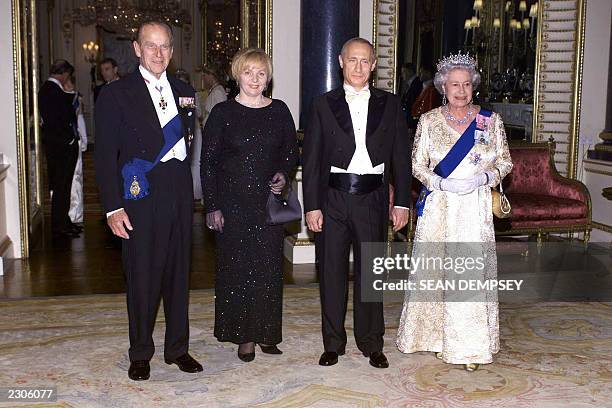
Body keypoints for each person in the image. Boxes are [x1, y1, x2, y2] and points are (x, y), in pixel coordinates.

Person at [95, 21, 203, 381]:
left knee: (178, 274)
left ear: (172, 51)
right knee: (142, 276)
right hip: (139, 194)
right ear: (137, 49)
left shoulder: (186, 92)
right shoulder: (115, 94)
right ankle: (140, 351)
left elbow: (187, 148)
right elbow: (106, 155)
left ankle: (178, 348)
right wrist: (112, 206)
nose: (158, 54)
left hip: (178, 192)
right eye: (150, 46)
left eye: (165, 47)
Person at [396, 52, 513, 371]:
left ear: (473, 86)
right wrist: (440, 183)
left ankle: (468, 346)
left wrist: (483, 178)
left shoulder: (489, 121)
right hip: (441, 205)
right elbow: (416, 165)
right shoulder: (429, 121)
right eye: (453, 85)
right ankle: (435, 338)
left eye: (466, 85)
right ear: (442, 87)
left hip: (474, 207)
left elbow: (505, 162)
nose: (460, 91)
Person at [302, 38, 412, 369]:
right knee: (332, 273)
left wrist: (403, 203)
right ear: (340, 61)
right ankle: (333, 343)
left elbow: (401, 160)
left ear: (374, 64)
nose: (359, 67)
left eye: (365, 61)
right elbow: (312, 160)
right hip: (333, 198)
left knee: (371, 274)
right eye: (353, 60)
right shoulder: (323, 104)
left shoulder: (391, 104)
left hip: (374, 199)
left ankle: (371, 342)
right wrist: (312, 205)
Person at [201, 48, 298, 362]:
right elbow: (208, 163)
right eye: (248, 72)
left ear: (268, 77)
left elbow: (289, 153)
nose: (255, 79)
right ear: (237, 75)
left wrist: (283, 175)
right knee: (239, 271)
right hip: (233, 206)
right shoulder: (223, 114)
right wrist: (212, 206)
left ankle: (267, 332)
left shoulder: (280, 111)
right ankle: (244, 335)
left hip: (267, 205)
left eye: (261, 73)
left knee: (268, 270)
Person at [38, 59, 81, 238]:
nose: (68, 79)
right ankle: (60, 225)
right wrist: (71, 94)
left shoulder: (49, 90)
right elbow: (66, 116)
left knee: (64, 186)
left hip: (58, 145)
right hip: (61, 147)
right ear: (63, 74)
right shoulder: (52, 90)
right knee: (61, 186)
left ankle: (64, 221)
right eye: (68, 75)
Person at [192, 65, 226, 201]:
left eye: (205, 76)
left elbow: (216, 119)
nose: (204, 79)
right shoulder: (214, 91)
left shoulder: (218, 92)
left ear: (211, 76)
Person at [63, 76, 88, 225]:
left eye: (68, 83)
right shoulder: (63, 98)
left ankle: (76, 214)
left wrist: (83, 139)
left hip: (75, 140)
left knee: (76, 178)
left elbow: (79, 120)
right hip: (65, 143)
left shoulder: (76, 99)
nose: (66, 86)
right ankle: (69, 213)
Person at [399, 63, 422, 131]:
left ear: (410, 71)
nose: (402, 75)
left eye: (404, 72)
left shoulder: (416, 83)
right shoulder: (410, 84)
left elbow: (413, 101)